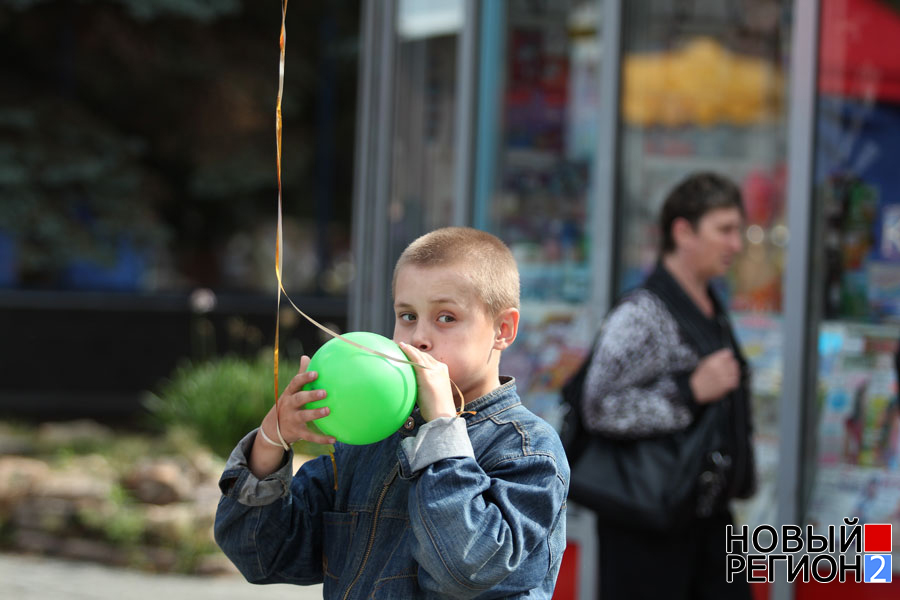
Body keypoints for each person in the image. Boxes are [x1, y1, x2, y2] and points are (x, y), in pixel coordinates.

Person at [214, 227, 569, 598]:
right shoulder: (372, 435)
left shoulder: (528, 449)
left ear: (503, 329)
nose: (419, 338)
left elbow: (468, 568)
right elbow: (261, 556)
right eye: (408, 316)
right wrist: (271, 443)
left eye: (446, 317)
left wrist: (443, 433)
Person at [581, 172, 755, 599]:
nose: (736, 244)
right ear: (683, 231)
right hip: (648, 527)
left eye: (738, 230)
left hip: (706, 522)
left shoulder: (710, 304)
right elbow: (599, 406)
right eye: (725, 230)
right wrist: (688, 392)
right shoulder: (643, 312)